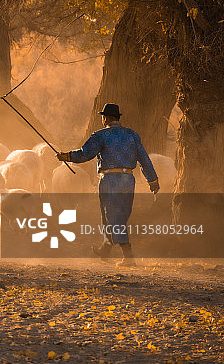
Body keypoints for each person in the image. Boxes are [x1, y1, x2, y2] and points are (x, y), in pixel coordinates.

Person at [56, 103, 159, 267]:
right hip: (128, 180)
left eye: (103, 116)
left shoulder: (101, 135)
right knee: (119, 216)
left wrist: (66, 156)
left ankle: (128, 257)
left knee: (112, 217)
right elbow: (144, 159)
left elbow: (85, 154)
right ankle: (105, 249)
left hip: (110, 180)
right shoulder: (132, 135)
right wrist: (152, 180)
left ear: (106, 118)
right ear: (117, 117)